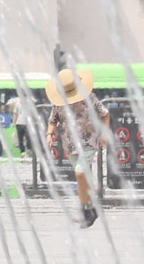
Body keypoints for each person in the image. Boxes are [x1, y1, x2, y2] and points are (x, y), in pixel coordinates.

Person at [44, 67, 112, 228]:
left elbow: (105, 114)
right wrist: (49, 134)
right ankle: (90, 208)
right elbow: (52, 120)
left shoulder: (89, 98)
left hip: (88, 142)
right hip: (70, 144)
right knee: (82, 178)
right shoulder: (59, 103)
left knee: (80, 173)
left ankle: (85, 209)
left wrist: (104, 133)